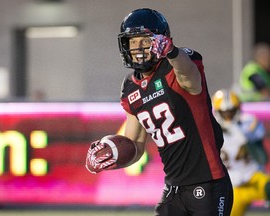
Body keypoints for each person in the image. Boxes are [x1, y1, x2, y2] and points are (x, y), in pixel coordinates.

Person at [85, 8, 233, 215]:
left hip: (208, 183)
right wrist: (112, 156)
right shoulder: (130, 87)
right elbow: (135, 145)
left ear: (160, 40)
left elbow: (190, 77)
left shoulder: (177, 64)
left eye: (144, 40)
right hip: (173, 188)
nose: (137, 47)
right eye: (132, 41)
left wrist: (172, 52)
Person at [212, 89, 270, 216]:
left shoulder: (248, 123)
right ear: (217, 112)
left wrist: (247, 138)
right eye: (225, 113)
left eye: (231, 112)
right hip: (232, 186)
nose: (228, 117)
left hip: (252, 176)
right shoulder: (212, 130)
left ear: (237, 109)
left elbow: (262, 159)